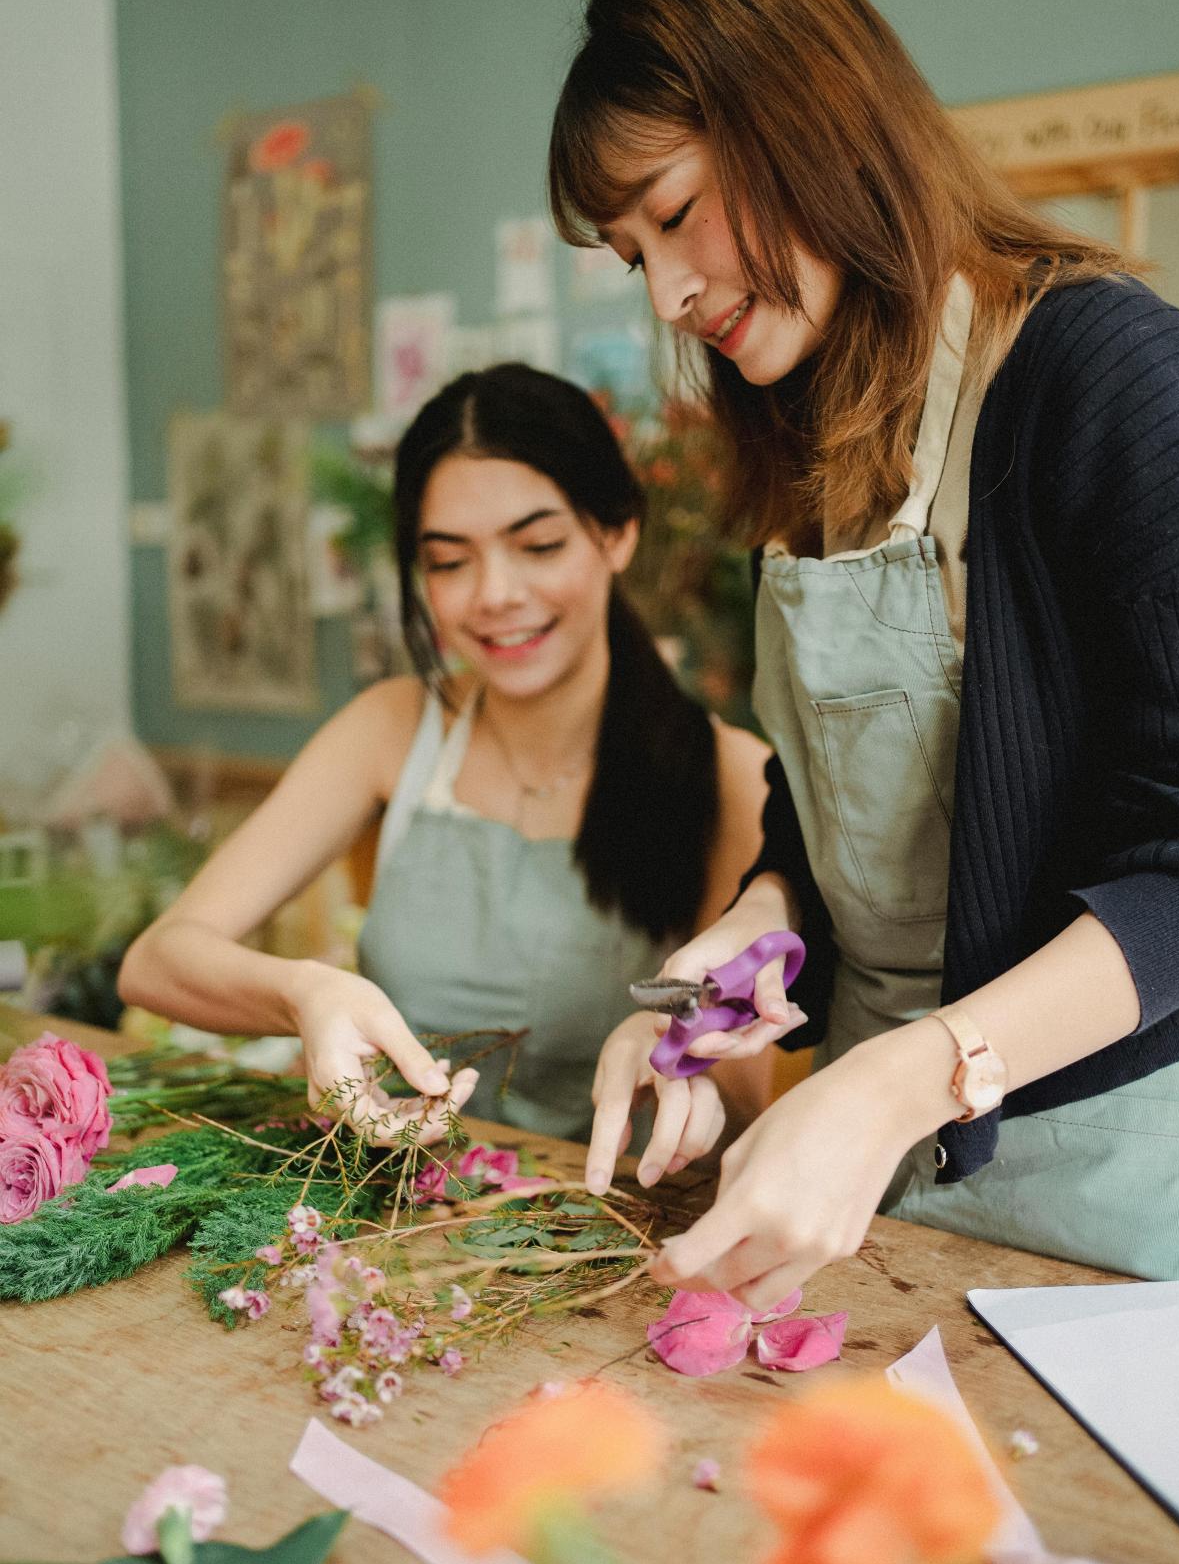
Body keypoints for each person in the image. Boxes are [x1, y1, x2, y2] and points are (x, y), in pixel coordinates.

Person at [551, 0, 1179, 1292]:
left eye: (672, 213)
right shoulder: (811, 437)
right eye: (630, 254)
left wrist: (918, 1073)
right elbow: (832, 824)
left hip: (1115, 1185)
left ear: (808, 121)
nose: (666, 290)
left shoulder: (1109, 379)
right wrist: (713, 979)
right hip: (878, 1172)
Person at [119, 363, 770, 1154]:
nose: (494, 594)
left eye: (537, 545)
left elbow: (744, 1107)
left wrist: (676, 1052)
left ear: (619, 532)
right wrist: (303, 991)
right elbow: (157, 960)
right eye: (449, 562)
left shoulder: (729, 774)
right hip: (387, 1210)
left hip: (605, 1231)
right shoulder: (394, 727)